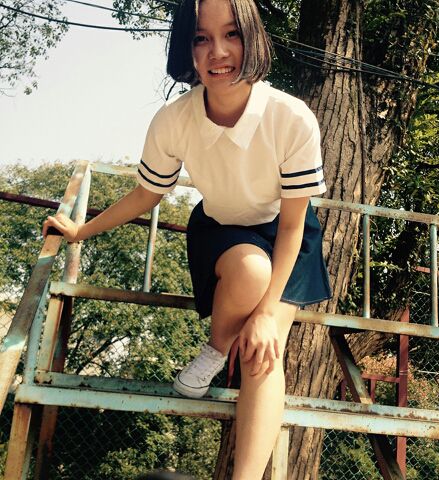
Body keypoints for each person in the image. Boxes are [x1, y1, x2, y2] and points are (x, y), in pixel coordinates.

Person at [42, 0, 331, 478]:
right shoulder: (174, 120)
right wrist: (81, 230)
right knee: (249, 270)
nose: (218, 51)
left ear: (253, 37)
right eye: (201, 38)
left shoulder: (291, 118)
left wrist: (264, 316)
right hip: (221, 233)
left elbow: (293, 224)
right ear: (187, 48)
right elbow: (146, 194)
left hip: (286, 236)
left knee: (264, 351)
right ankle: (217, 348)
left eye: (232, 34)